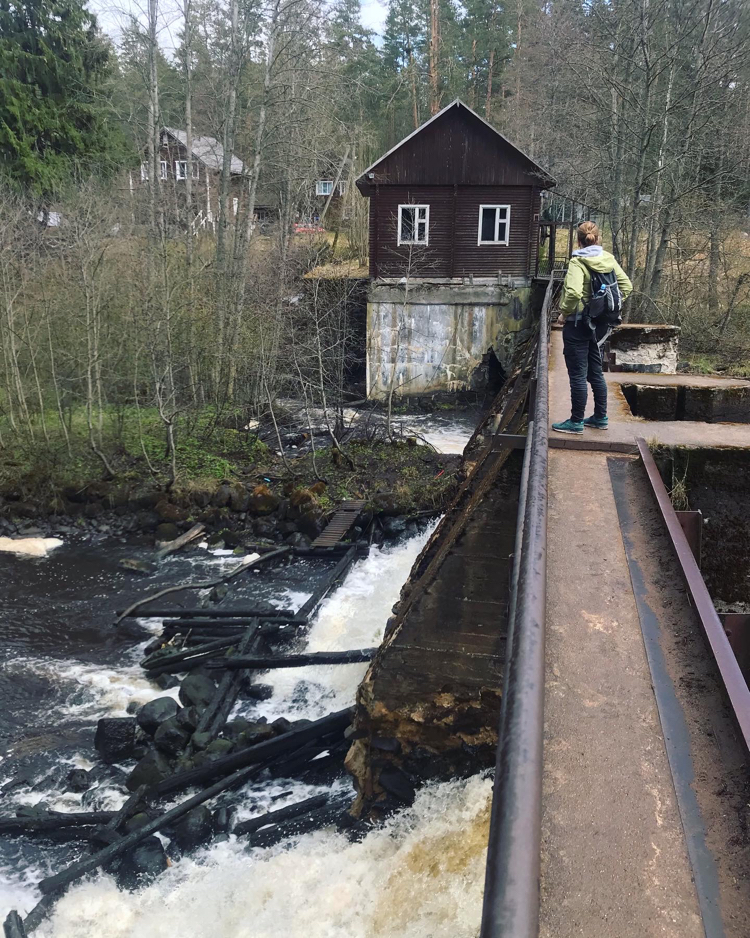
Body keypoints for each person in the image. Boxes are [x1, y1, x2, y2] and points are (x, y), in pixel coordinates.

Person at [551, 221, 632, 434]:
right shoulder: (608, 259)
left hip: (577, 324)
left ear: (578, 240)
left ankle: (576, 421)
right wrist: (604, 308)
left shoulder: (578, 262)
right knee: (596, 372)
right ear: (598, 239)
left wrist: (564, 313)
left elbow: (574, 293)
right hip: (598, 326)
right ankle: (600, 417)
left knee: (578, 374)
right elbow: (627, 287)